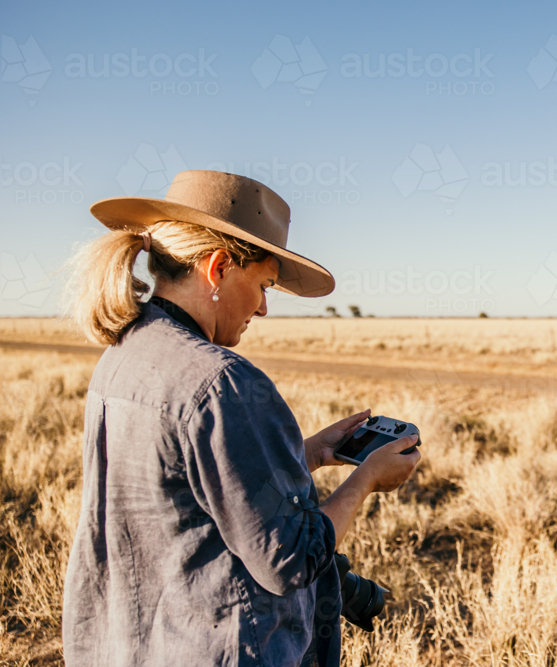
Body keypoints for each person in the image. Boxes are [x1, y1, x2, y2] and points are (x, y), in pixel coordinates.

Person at [61, 170, 420, 666]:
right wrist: (365, 480)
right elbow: (290, 560)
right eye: (264, 285)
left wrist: (311, 452)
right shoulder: (223, 382)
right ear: (218, 269)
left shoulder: (125, 353)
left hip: (130, 645)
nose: (265, 307)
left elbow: (189, 492)